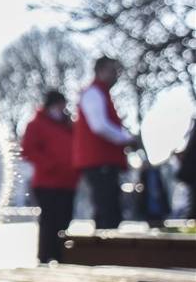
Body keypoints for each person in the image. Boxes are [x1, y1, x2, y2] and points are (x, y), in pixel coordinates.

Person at [74, 57, 140, 229]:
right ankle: (106, 252)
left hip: (103, 161)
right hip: (99, 161)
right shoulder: (94, 93)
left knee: (107, 208)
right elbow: (99, 126)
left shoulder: (101, 93)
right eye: (112, 71)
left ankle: (104, 250)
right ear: (101, 70)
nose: (115, 76)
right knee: (107, 210)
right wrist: (127, 139)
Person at [21, 90, 79, 263]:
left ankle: (61, 255)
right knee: (49, 222)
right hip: (47, 182)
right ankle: (45, 256)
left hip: (68, 182)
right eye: (59, 105)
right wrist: (49, 164)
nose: (62, 109)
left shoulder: (68, 125)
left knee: (65, 219)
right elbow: (28, 149)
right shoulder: (36, 124)